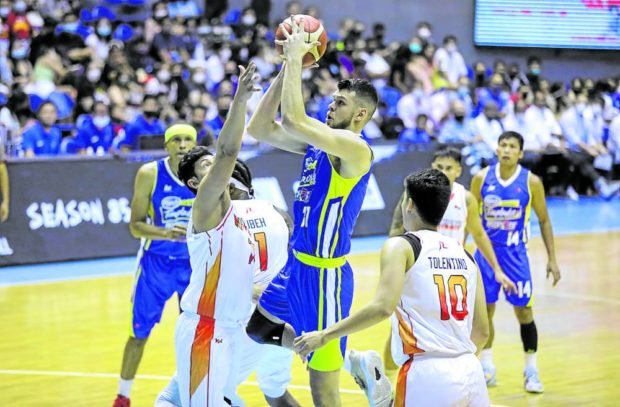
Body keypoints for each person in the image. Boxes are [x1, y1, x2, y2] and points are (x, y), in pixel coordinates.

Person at [245, 17, 387, 407]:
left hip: (324, 275)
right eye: (331, 100)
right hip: (296, 266)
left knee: (323, 395)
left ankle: (338, 359)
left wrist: (293, 59)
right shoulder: (318, 146)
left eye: (339, 103)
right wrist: (287, 70)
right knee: (259, 327)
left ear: (359, 115)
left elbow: (293, 119)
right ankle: (351, 362)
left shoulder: (355, 149)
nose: (331, 105)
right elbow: (260, 128)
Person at [294, 169, 491, 407]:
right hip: (471, 370)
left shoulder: (402, 246)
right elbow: (482, 332)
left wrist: (324, 335)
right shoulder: (467, 256)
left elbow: (382, 307)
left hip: (428, 373)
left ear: (408, 204)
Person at [155, 158, 300, 407]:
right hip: (279, 318)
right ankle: (350, 359)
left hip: (240, 324)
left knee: (175, 399)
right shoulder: (279, 213)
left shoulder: (220, 221)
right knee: (276, 394)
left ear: (227, 187)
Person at [167, 62, 260, 407]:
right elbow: (227, 151)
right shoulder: (205, 207)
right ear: (194, 183)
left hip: (234, 329)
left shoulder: (236, 215)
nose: (220, 169)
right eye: (207, 167)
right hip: (206, 330)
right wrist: (240, 100)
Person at [384, 147, 516, 384]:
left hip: (453, 272)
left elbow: (479, 233)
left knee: (467, 325)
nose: (443, 171)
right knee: (402, 330)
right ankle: (387, 378)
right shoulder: (418, 195)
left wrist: (496, 268)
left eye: (448, 168)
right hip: (420, 271)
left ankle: (483, 364)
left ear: (458, 171)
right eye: (438, 167)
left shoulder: (466, 199)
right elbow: (395, 230)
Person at [113, 123, 198, 407]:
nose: (183, 145)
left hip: (192, 263)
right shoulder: (150, 173)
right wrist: (164, 232)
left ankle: (192, 392)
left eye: (188, 139)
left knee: (197, 333)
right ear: (167, 145)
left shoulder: (203, 173)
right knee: (138, 333)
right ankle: (122, 396)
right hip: (155, 264)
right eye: (177, 140)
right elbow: (135, 226)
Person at [471, 131, 562, 393]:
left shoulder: (531, 181)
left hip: (515, 255)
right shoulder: (481, 179)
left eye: (512, 146)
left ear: (520, 153)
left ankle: (530, 369)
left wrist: (552, 259)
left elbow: (544, 220)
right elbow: (471, 218)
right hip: (486, 255)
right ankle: (487, 367)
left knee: (524, 312)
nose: (506, 149)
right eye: (503, 145)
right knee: (485, 313)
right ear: (497, 149)